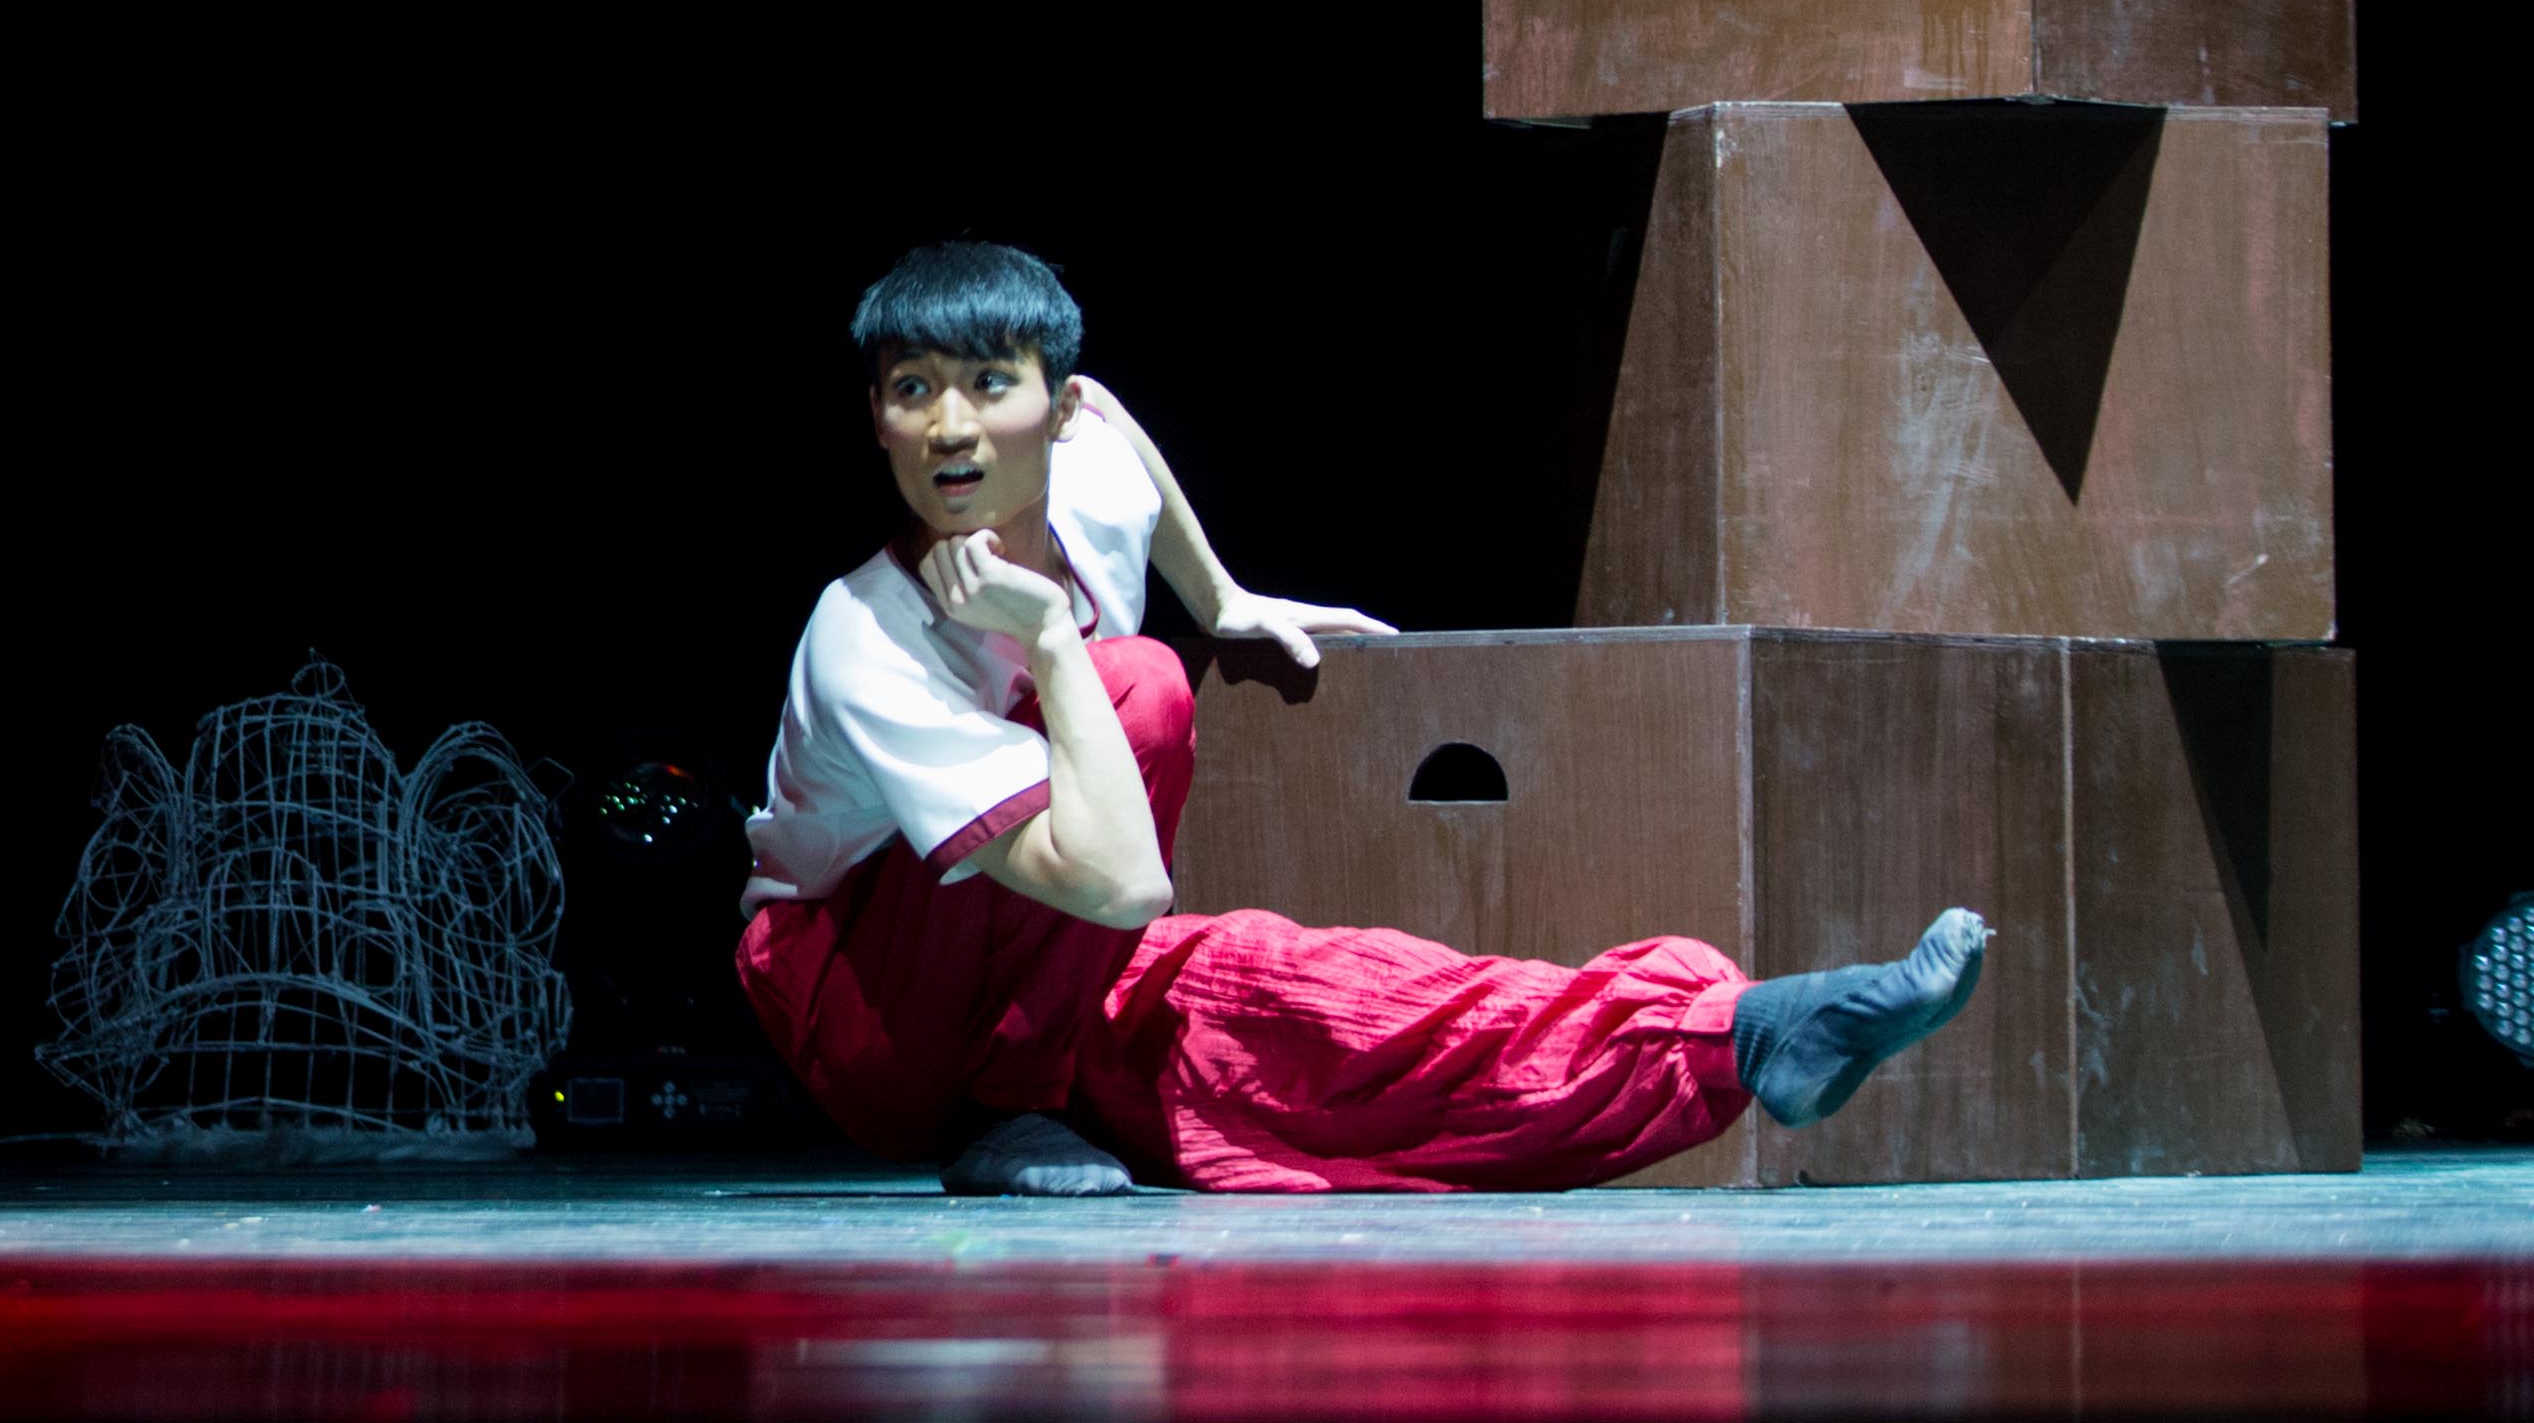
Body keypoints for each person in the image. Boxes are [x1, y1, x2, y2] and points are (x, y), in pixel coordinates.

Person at [733, 240, 1991, 1195]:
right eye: (912, 390)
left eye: (987, 385)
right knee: (1139, 687)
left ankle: (1741, 1034)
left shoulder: (1090, 463)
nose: (949, 426)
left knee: (1325, 1012)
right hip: (872, 1006)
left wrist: (1219, 595)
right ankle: (1007, 1107)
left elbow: (1119, 433)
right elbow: (1121, 884)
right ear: (877, 417)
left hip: (1053, 971)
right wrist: (1056, 637)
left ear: (1053, 409)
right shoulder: (868, 636)